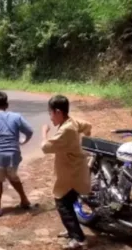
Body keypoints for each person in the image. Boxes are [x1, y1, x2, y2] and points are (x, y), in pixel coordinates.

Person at [41, 95, 92, 249]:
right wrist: (85, 137)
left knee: (62, 203)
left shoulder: (66, 129)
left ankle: (79, 238)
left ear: (57, 112)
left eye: (50, 113)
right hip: (74, 170)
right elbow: (87, 125)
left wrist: (44, 133)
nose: (50, 118)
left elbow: (45, 147)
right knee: (68, 202)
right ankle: (72, 230)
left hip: (72, 174)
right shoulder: (72, 121)